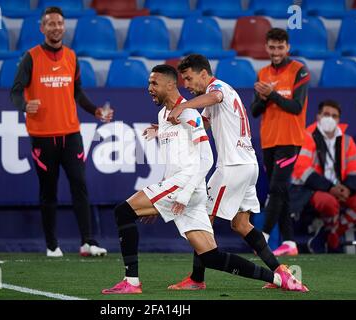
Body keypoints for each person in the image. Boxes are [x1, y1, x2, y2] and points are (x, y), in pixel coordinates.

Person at [101, 64, 308, 294]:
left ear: (173, 84)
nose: (149, 88)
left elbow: (205, 154)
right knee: (214, 253)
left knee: (123, 211)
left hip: (207, 177)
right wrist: (157, 195)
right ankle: (280, 278)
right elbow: (182, 147)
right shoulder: (167, 114)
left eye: (154, 83)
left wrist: (182, 192)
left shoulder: (196, 105)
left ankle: (133, 282)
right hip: (223, 171)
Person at [165, 54, 289, 291]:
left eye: (189, 79)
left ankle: (196, 280)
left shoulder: (217, 88)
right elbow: (203, 125)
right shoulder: (216, 97)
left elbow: (214, 96)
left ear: (204, 73)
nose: (187, 85)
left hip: (232, 167)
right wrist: (166, 130)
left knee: (201, 219)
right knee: (241, 224)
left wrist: (183, 105)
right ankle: (281, 272)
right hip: (248, 166)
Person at [10, 7, 113, 257]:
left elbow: (76, 91)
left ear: (64, 27)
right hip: (42, 137)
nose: (56, 27)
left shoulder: (71, 56)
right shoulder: (31, 57)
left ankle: (87, 242)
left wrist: (95, 111)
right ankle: (52, 245)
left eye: (59, 23)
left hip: (71, 134)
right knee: (49, 191)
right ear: (42, 28)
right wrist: (25, 105)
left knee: (80, 186)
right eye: (50, 24)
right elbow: (15, 91)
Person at [250, 28, 310, 256]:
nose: (276, 51)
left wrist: (272, 94)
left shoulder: (299, 71)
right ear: (267, 48)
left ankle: (263, 237)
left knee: (276, 188)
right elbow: (255, 111)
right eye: (272, 47)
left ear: (288, 48)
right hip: (268, 140)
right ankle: (290, 242)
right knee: (281, 191)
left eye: (280, 47)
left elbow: (296, 107)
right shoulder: (262, 73)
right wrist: (264, 97)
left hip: (290, 139)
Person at [291, 100, 356, 253]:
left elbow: (355, 170)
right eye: (326, 114)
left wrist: (347, 189)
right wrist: (330, 188)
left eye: (334, 116)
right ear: (318, 116)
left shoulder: (347, 141)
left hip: (340, 188)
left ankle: (330, 233)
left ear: (339, 119)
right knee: (329, 202)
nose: (330, 118)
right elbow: (302, 170)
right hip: (310, 189)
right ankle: (331, 238)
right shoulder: (307, 137)